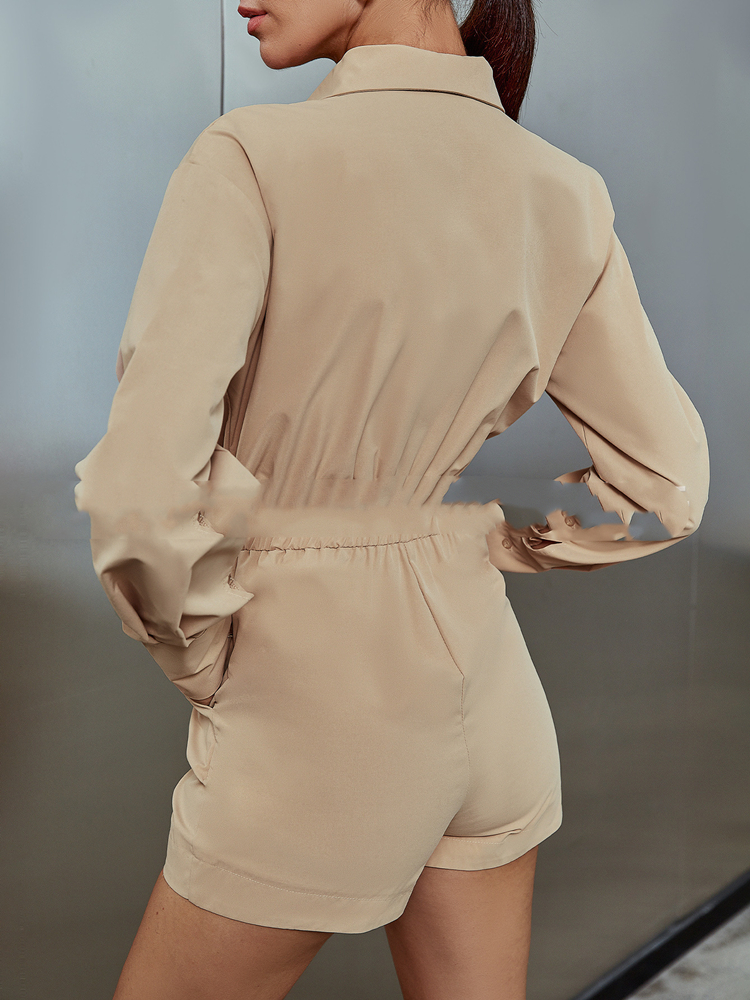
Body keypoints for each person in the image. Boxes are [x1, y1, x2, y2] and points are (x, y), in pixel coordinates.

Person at [73, 0, 709, 995]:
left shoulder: (252, 158)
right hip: (492, 691)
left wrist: (206, 658)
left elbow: (143, 495)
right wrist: (493, 544)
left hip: (314, 708)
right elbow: (668, 483)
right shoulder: (564, 188)